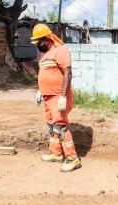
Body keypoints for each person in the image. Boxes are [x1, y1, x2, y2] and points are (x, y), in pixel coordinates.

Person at [31, 24, 81, 172]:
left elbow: (68, 74)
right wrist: (40, 90)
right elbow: (46, 73)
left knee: (61, 126)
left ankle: (73, 158)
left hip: (58, 97)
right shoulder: (44, 54)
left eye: (38, 42)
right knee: (51, 126)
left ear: (47, 39)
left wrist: (63, 97)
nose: (37, 45)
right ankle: (56, 153)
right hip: (47, 96)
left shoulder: (61, 50)